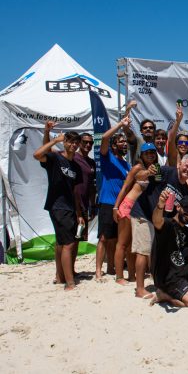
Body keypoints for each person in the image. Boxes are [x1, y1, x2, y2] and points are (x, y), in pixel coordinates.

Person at [33, 131, 84, 291]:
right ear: (64, 142)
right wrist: (53, 138)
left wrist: (79, 213)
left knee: (62, 243)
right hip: (57, 206)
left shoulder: (75, 166)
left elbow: (75, 192)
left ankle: (61, 277)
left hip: (69, 207)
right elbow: (37, 154)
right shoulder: (55, 159)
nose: (73, 145)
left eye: (76, 142)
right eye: (70, 141)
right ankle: (69, 283)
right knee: (68, 244)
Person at [112, 143, 158, 290]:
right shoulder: (138, 168)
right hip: (128, 206)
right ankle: (119, 276)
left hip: (141, 210)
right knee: (123, 243)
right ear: (141, 155)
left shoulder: (156, 169)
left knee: (134, 245)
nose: (150, 154)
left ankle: (132, 275)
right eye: (147, 153)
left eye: (153, 152)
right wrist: (115, 207)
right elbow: (125, 187)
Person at [96, 117, 131, 282]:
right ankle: (98, 271)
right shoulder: (107, 157)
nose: (124, 144)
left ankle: (110, 267)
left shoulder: (126, 164)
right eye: (121, 141)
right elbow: (104, 138)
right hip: (107, 203)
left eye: (125, 142)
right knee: (103, 238)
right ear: (114, 145)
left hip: (121, 206)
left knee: (115, 239)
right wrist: (120, 125)